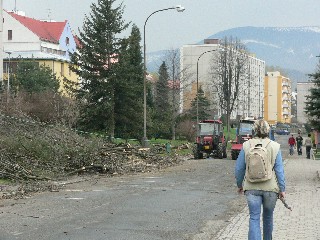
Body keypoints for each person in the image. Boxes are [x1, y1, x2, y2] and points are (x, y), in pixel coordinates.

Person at [235, 119, 286, 240]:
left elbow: (239, 169)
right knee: (268, 217)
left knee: (254, 217)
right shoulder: (275, 146)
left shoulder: (246, 145)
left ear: (254, 130)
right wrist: (282, 189)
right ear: (268, 130)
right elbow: (279, 171)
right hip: (271, 189)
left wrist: (239, 185)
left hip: (251, 187)